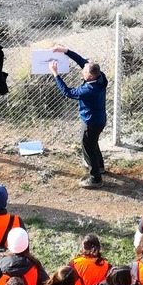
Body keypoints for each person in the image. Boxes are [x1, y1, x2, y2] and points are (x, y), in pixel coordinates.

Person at [50, 45, 108, 188]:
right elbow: (82, 61)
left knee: (87, 147)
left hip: (91, 122)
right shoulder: (101, 77)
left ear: (90, 76)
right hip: (100, 119)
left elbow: (67, 92)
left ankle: (95, 179)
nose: (82, 70)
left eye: (84, 71)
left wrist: (55, 74)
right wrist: (65, 51)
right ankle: (99, 167)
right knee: (93, 143)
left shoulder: (88, 90)